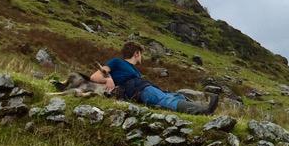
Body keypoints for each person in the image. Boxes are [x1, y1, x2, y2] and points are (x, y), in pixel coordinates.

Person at [90, 41, 218, 114]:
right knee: (166, 100)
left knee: (176, 96)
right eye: (141, 54)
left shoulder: (134, 69)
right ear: (136, 53)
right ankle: (204, 111)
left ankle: (204, 109)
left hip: (144, 87)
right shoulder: (117, 61)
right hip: (139, 89)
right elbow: (95, 76)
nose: (142, 57)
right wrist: (107, 79)